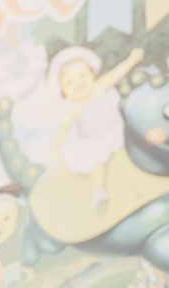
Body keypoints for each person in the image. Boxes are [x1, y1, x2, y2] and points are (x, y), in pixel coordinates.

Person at [49, 46, 144, 212]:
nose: (78, 83)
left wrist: (132, 59)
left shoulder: (100, 87)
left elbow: (116, 73)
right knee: (97, 164)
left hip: (115, 128)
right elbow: (62, 129)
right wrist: (54, 151)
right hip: (93, 141)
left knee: (131, 152)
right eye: (69, 82)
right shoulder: (73, 108)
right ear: (62, 90)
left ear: (91, 73)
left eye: (82, 75)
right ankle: (98, 194)